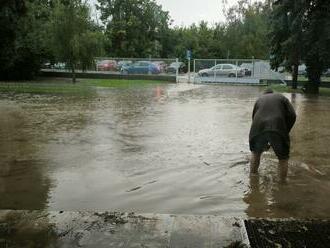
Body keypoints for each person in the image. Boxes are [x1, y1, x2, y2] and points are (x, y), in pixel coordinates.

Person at [249, 88, 296, 182]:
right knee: (283, 158)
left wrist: (263, 140)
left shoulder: (259, 99)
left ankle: (253, 178)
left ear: (264, 94)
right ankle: (281, 184)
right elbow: (292, 115)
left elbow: (254, 117)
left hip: (258, 127)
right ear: (273, 93)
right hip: (278, 126)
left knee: (255, 153)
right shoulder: (281, 97)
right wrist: (285, 131)